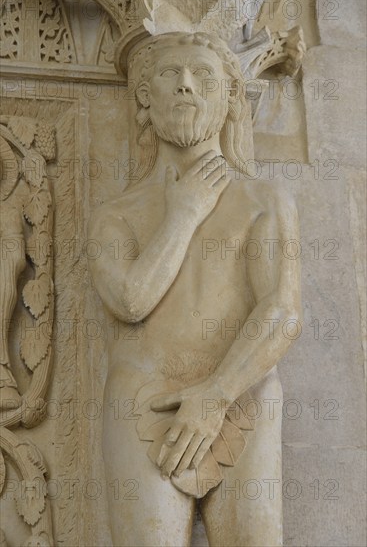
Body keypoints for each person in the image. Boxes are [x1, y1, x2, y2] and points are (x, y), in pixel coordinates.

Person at [89, 32, 301, 547]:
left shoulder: (263, 200)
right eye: (170, 74)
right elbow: (130, 300)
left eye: (203, 76)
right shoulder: (116, 215)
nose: (186, 85)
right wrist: (183, 214)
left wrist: (215, 394)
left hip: (239, 394)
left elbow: (282, 311)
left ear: (229, 96)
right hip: (143, 403)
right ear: (144, 97)